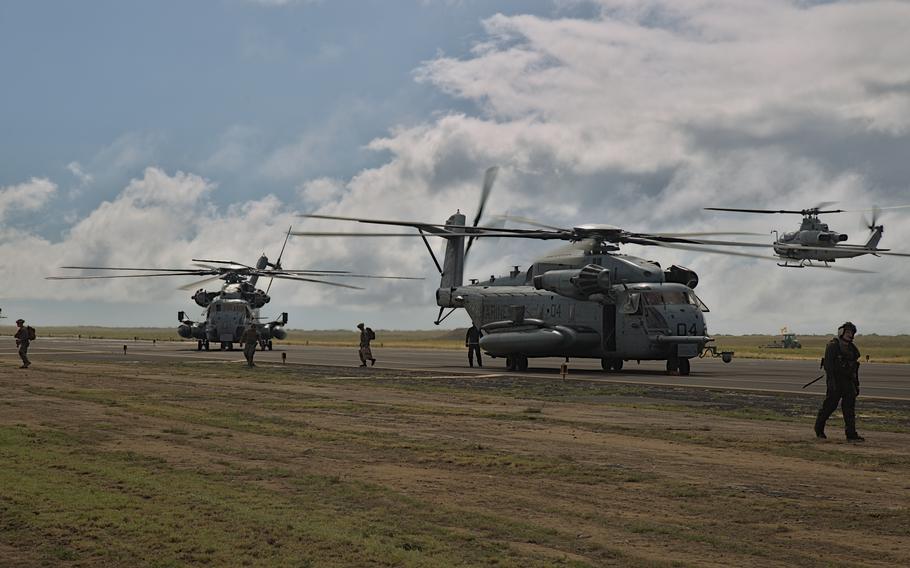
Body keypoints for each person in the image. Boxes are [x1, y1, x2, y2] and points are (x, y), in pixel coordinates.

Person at [814, 321, 864, 442]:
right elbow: (829, 366)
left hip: (848, 381)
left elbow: (854, 368)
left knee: (849, 408)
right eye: (847, 332)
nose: (850, 335)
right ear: (841, 332)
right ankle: (819, 428)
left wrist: (856, 384)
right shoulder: (833, 346)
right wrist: (831, 382)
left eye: (851, 332)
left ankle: (851, 434)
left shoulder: (853, 349)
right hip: (835, 380)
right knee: (829, 406)